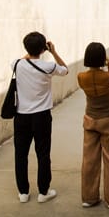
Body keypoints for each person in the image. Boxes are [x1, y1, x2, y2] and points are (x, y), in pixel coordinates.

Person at [12, 31, 68, 203]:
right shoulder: (48, 67)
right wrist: (53, 52)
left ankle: (23, 192)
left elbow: (24, 59)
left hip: (21, 117)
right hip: (41, 116)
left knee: (20, 154)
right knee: (43, 153)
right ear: (43, 48)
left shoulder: (16, 64)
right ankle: (43, 192)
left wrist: (31, 51)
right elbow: (65, 70)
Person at [77, 42, 109, 209]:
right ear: (102, 58)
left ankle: (89, 197)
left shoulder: (81, 77)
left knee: (89, 160)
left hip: (90, 119)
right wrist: (108, 62)